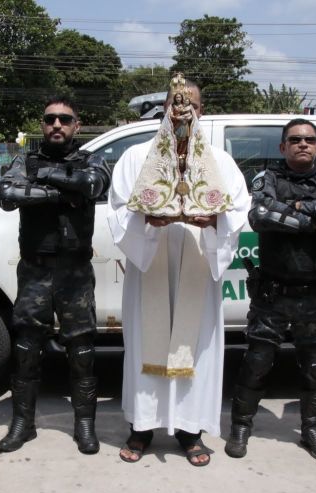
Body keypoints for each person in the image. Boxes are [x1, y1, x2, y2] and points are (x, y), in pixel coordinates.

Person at [108, 80, 250, 466]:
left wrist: (214, 223)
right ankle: (141, 427)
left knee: (196, 347)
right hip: (150, 262)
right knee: (145, 344)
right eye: (175, 104)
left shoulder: (220, 161)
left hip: (198, 264)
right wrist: (145, 221)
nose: (183, 112)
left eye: (192, 105)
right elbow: (118, 208)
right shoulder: (137, 158)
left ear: (201, 111)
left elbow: (237, 212)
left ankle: (190, 430)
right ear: (165, 109)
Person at [224, 119, 316, 463]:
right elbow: (259, 215)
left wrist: (299, 209)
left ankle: (311, 431)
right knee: (257, 362)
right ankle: (241, 426)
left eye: (309, 140)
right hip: (273, 291)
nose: (303, 144)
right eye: (295, 139)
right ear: (283, 147)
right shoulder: (267, 179)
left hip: (315, 292)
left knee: (315, 365)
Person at [0, 97, 111, 455]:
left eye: (65, 119)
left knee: (82, 349)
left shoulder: (91, 159)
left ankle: (85, 425)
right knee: (27, 347)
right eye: (50, 119)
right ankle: (22, 423)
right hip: (36, 269)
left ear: (77, 125)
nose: (57, 125)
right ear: (42, 125)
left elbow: (95, 185)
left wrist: (43, 180)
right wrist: (63, 190)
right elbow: (6, 194)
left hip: (74, 271)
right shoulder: (22, 160)